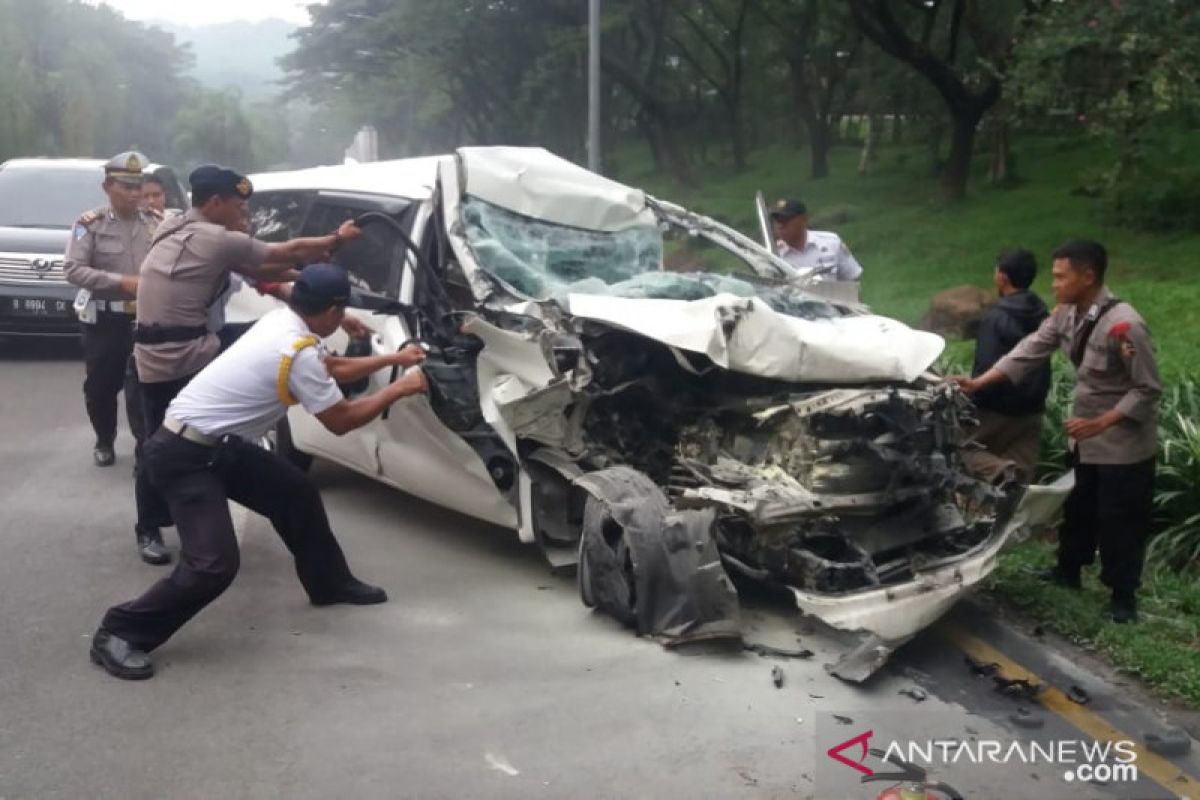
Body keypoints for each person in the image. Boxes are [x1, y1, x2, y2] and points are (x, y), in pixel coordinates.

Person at [90, 264, 429, 680]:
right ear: (333, 310)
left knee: (295, 491)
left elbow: (330, 369)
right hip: (184, 456)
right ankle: (119, 631)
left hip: (217, 446)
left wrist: (397, 358)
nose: (344, 320)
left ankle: (329, 583)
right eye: (342, 312)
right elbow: (340, 420)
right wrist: (400, 387)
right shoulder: (296, 349)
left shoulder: (285, 322)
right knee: (212, 565)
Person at [130, 164, 363, 566]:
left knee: (272, 350)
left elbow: (263, 272)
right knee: (160, 447)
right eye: (239, 208)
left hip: (190, 347)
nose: (246, 217)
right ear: (215, 203)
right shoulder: (212, 237)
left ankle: (217, 497)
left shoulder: (181, 227)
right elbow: (279, 254)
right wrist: (335, 240)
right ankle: (152, 526)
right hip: (173, 359)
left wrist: (315, 294)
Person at [955, 240, 1160, 623]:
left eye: (1061, 277)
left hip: (1122, 445)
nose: (1054, 285)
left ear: (1088, 276)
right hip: (1085, 438)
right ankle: (1068, 571)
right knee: (1080, 509)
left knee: (1120, 519)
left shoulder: (1125, 325)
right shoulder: (1067, 314)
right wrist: (980, 382)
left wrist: (1103, 422)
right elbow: (1030, 348)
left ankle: (1122, 596)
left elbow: (1147, 389)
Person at [63, 151, 156, 469]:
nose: (134, 194)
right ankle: (104, 438)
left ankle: (145, 449)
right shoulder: (88, 224)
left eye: (138, 187)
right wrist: (120, 281)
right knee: (101, 387)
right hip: (105, 319)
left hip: (145, 318)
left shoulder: (157, 224)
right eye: (126, 187)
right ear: (107, 187)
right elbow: (73, 270)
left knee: (142, 386)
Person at [963, 249, 1051, 484]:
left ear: (1002, 277)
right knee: (1021, 474)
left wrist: (973, 397)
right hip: (1032, 408)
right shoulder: (1043, 313)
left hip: (995, 408)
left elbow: (986, 362)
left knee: (959, 450)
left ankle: (1001, 473)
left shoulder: (997, 317)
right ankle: (1015, 512)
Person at [769, 198, 863, 282]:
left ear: (804, 220)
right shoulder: (772, 255)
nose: (780, 225)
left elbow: (853, 281)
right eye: (777, 221)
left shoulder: (831, 243)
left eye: (785, 220)